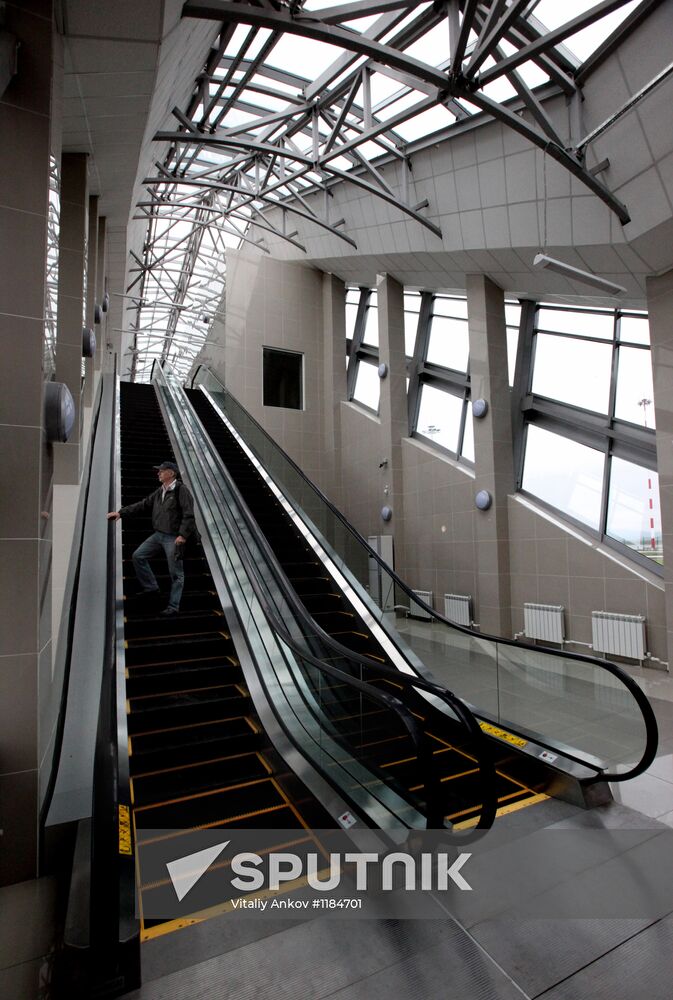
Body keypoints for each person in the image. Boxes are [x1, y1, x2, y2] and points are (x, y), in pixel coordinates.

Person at [107, 461, 196, 617]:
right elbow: (143, 504)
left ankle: (173, 606)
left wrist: (182, 535)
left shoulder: (181, 490)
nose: (158, 473)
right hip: (159, 534)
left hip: (173, 537)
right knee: (138, 555)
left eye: (161, 471)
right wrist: (121, 513)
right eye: (158, 471)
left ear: (171, 473)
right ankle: (151, 588)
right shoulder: (160, 491)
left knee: (176, 573)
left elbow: (189, 514)